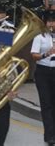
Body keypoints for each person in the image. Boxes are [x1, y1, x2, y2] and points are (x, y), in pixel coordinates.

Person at [31, 10, 55, 145]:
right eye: (49, 21)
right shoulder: (40, 37)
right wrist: (46, 54)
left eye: (53, 20)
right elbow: (34, 55)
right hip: (43, 72)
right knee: (46, 105)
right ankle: (49, 136)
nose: (51, 23)